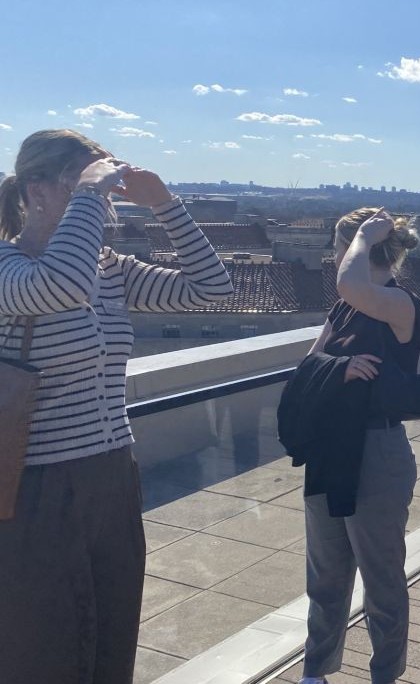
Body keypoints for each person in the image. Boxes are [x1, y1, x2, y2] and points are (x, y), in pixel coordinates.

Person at [0, 129, 232, 683]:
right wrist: (85, 200)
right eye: (84, 188)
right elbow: (60, 286)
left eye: (101, 192)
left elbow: (211, 289)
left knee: (112, 630)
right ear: (35, 189)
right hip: (35, 485)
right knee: (43, 646)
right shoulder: (10, 267)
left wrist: (166, 206)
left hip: (112, 475)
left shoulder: (108, 268)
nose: (101, 203)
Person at [300, 208, 420, 684]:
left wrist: (362, 238)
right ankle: (317, 671)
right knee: (326, 576)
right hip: (332, 449)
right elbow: (309, 366)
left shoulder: (401, 303)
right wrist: (338, 370)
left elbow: (351, 283)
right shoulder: (345, 308)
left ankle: (384, 676)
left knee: (382, 582)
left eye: (339, 247)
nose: (334, 257)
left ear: (357, 250)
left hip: (377, 452)